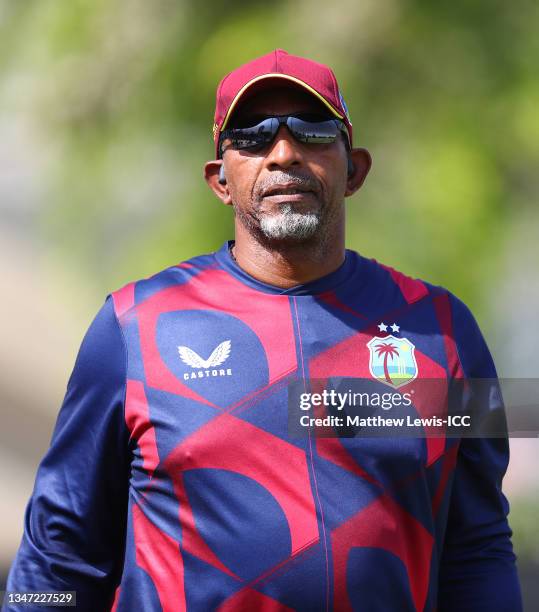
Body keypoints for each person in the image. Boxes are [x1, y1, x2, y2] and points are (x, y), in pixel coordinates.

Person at [4, 49, 522, 612]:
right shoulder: (129, 326)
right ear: (219, 180)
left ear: (356, 169)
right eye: (250, 137)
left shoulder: (446, 331)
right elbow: (58, 556)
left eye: (313, 131)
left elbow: (479, 547)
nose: (283, 153)